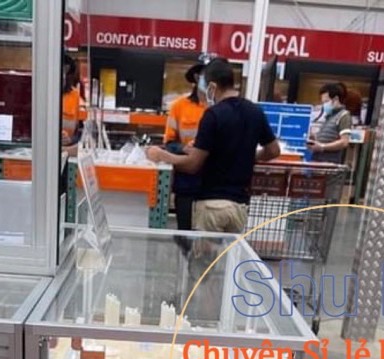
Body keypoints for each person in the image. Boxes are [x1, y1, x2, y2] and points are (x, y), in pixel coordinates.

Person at [146, 57, 280, 233]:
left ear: (212, 86)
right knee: (230, 250)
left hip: (212, 205)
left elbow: (193, 165)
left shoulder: (213, 115)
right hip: (240, 206)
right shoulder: (255, 111)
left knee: (203, 251)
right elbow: (273, 150)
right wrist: (250, 157)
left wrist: (163, 156)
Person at [162, 59, 209, 233]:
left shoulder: (219, 108)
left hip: (212, 181)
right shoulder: (179, 107)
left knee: (208, 236)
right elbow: (168, 143)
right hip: (186, 181)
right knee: (184, 233)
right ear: (196, 78)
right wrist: (183, 148)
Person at [307, 83, 352, 164]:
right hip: (318, 161)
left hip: (329, 164)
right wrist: (314, 138)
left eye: (326, 101)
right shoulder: (328, 117)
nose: (324, 105)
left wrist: (322, 147)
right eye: (323, 103)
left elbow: (344, 142)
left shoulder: (344, 116)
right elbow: (328, 137)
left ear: (336, 99)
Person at [61, 53, 83, 157]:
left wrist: (70, 140)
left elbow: (79, 132)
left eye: (66, 71)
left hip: (67, 150)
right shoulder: (41, 94)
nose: (63, 76)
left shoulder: (75, 96)